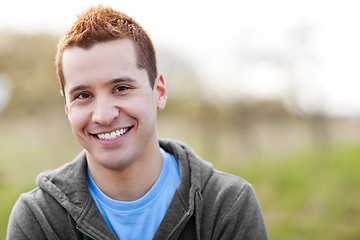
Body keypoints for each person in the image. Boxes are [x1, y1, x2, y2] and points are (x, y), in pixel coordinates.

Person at [7, 5, 268, 240]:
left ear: (159, 92)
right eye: (83, 96)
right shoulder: (39, 219)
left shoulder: (227, 205)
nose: (103, 115)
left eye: (121, 88)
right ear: (67, 108)